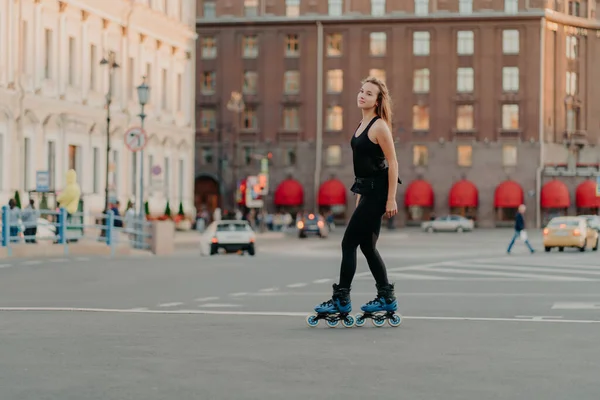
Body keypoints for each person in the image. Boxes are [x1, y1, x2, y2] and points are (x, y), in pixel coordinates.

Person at [313, 76, 401, 317]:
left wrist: (391, 198)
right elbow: (365, 164)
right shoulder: (361, 124)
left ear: (377, 100)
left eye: (369, 93)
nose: (362, 95)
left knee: (348, 243)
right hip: (368, 191)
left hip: (378, 191)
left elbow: (392, 162)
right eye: (361, 91)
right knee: (367, 246)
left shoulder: (379, 125)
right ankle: (386, 297)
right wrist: (360, 193)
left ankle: (341, 298)